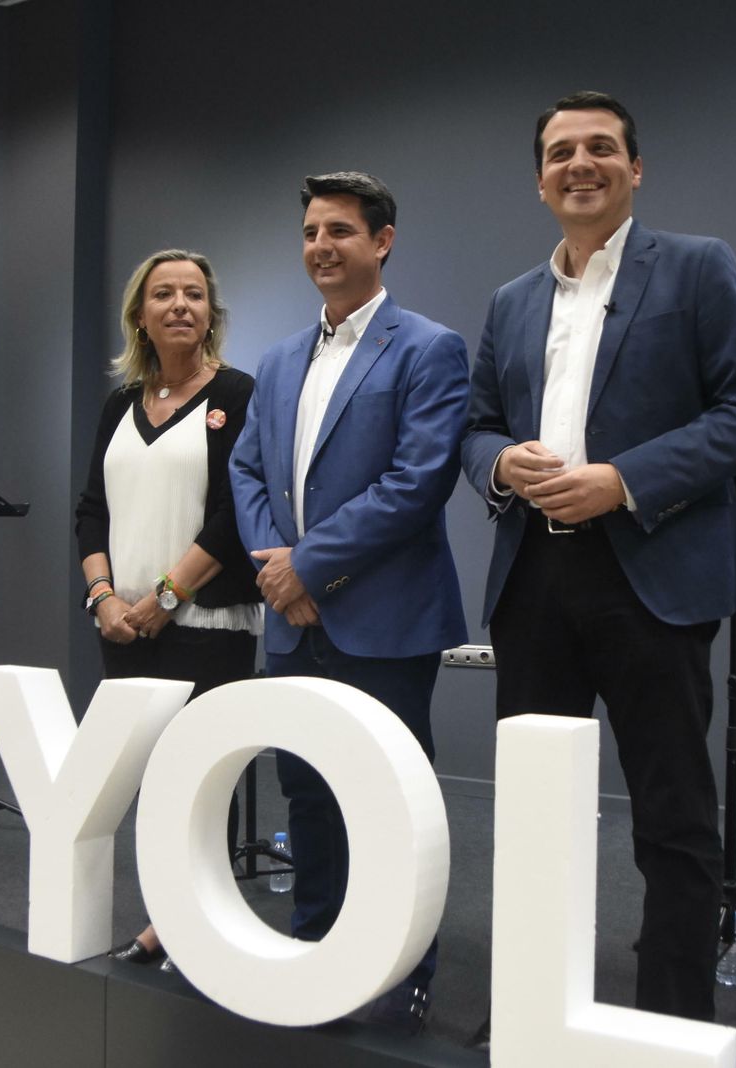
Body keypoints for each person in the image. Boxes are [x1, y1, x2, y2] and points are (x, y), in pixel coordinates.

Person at [462, 91, 736, 1032]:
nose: (581, 164)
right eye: (562, 151)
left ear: (635, 168)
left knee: (673, 816)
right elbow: (476, 427)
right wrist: (500, 463)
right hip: (534, 581)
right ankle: (529, 1002)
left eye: (601, 148)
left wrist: (623, 479)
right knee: (533, 812)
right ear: (540, 179)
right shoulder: (511, 301)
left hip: (653, 575)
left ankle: (670, 1022)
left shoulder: (696, 268)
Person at [229, 171, 468, 1036]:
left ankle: (403, 968)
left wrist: (309, 569)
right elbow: (247, 469)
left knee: (391, 800)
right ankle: (316, 947)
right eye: (309, 233)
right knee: (304, 792)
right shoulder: (280, 357)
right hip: (291, 617)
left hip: (385, 618)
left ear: (383, 240)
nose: (320, 247)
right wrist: (274, 569)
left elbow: (417, 484)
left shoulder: (429, 349)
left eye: (338, 231)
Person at [74, 248, 262, 970]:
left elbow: (234, 516)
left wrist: (163, 599)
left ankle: (185, 925)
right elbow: (92, 510)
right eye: (164, 294)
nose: (180, 304)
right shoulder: (118, 404)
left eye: (194, 294)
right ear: (141, 315)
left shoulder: (238, 395)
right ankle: (173, 912)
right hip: (120, 625)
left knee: (199, 778)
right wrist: (102, 599)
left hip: (206, 625)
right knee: (151, 783)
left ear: (210, 313)